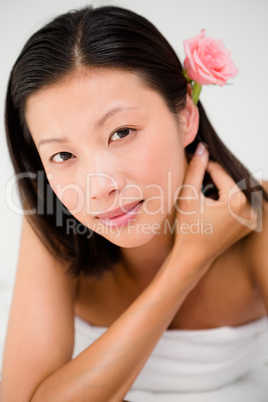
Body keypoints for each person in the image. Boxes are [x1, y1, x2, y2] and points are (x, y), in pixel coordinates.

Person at [1, 5, 268, 401]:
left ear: (185, 117)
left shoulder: (259, 221)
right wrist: (187, 263)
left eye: (122, 132)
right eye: (62, 156)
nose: (99, 188)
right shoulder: (55, 221)